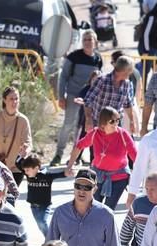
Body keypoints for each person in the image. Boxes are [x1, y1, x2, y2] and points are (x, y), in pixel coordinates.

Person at [67, 106, 137, 210]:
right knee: (93, 208)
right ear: (103, 123)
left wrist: (139, 175)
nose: (116, 124)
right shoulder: (95, 133)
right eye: (112, 121)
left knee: (108, 210)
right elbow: (79, 146)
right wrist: (70, 166)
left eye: (118, 120)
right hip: (97, 177)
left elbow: (135, 155)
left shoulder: (123, 134)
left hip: (119, 178)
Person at [52, 30, 103, 166]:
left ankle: (76, 156)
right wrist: (61, 96)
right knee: (68, 125)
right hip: (74, 96)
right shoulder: (74, 57)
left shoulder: (98, 59)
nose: (87, 42)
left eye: (90, 39)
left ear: (95, 42)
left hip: (91, 99)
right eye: (85, 39)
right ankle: (58, 155)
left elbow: (98, 79)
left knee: (82, 129)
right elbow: (63, 77)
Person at [0, 86, 32, 184]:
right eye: (11, 99)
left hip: (15, 169)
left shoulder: (23, 120)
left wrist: (26, 150)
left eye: (17, 98)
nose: (15, 102)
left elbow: (28, 143)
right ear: (4, 100)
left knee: (10, 198)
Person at [83, 56, 137, 135]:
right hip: (99, 124)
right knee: (97, 147)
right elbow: (88, 100)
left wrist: (132, 121)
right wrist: (88, 119)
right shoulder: (102, 80)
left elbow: (128, 104)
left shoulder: (127, 84)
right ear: (125, 71)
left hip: (115, 125)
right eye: (130, 71)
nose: (131, 73)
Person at [18, 155, 66, 237]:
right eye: (25, 170)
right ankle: (49, 238)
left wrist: (66, 173)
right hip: (33, 206)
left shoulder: (46, 175)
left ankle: (50, 240)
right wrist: (22, 155)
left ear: (36, 168)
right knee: (40, 224)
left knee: (42, 222)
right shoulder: (28, 175)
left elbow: (59, 175)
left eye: (27, 170)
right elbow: (18, 163)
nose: (25, 172)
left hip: (44, 205)